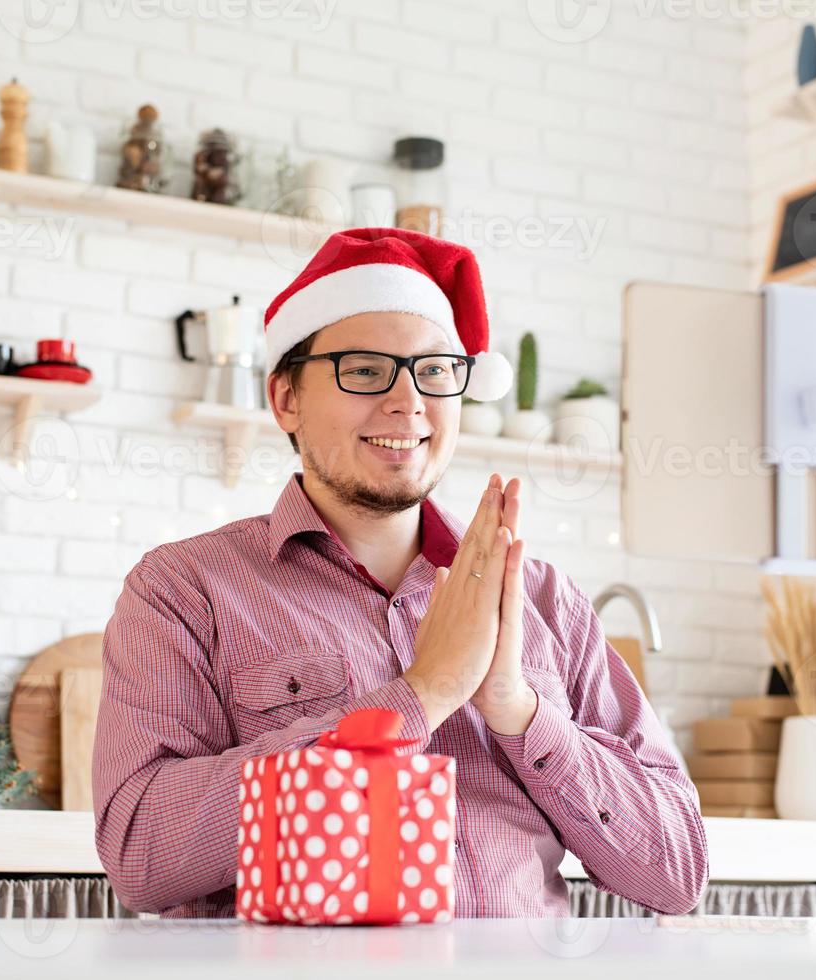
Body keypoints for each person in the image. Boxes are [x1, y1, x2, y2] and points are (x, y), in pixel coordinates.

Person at [93, 228, 708, 918]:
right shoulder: (184, 589)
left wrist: (518, 709)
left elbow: (675, 874)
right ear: (285, 399)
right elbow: (142, 854)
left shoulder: (542, 600)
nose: (407, 402)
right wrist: (419, 696)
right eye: (362, 370)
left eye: (434, 371)